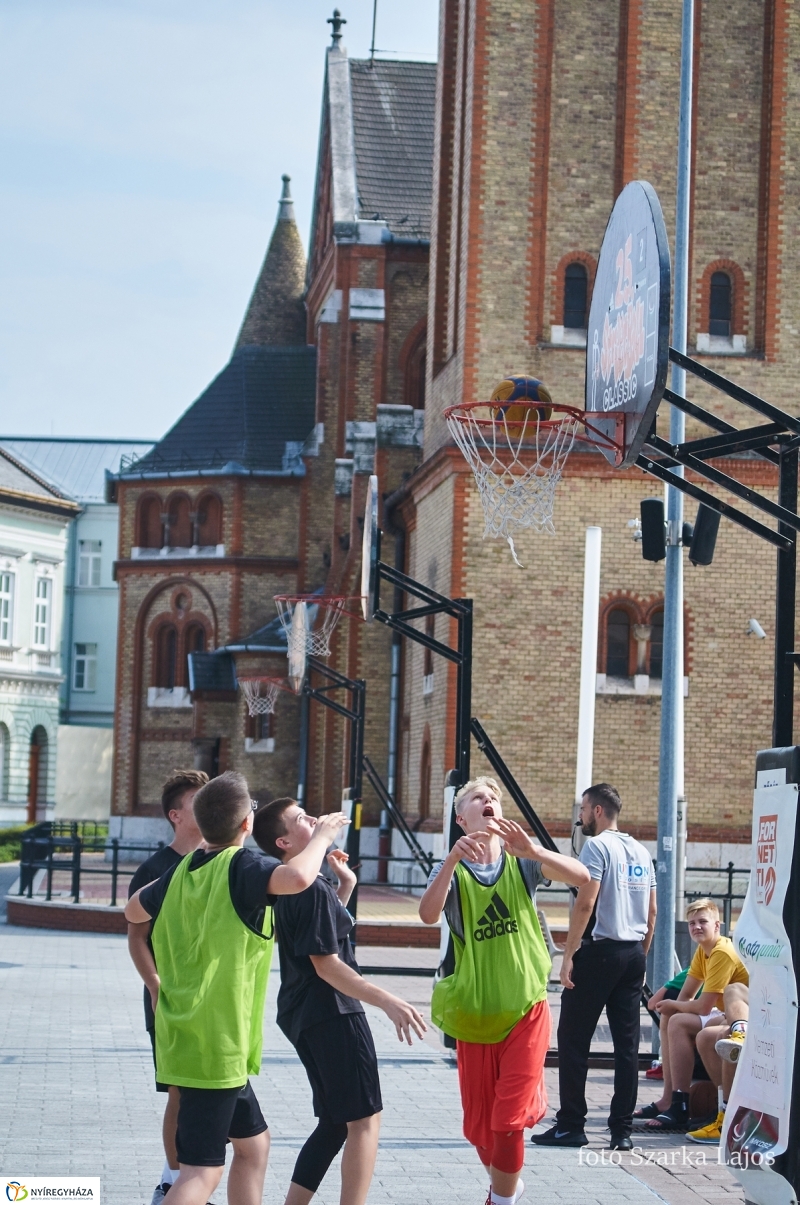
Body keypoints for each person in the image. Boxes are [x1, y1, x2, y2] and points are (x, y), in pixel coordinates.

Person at [125, 771, 350, 1205]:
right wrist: (321, 836)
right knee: (200, 1173)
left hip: (190, 1037)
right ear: (247, 825)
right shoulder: (242, 866)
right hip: (215, 1044)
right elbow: (299, 879)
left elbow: (133, 912)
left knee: (253, 1146)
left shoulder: (179, 872)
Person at [418, 776, 590, 1205]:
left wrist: (534, 850)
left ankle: (503, 1199)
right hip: (475, 1014)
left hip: (525, 1008)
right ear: (462, 819)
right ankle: (506, 1185)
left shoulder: (521, 861)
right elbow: (426, 914)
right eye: (479, 797)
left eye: (494, 796)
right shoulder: (453, 871)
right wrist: (451, 862)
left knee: (507, 1120)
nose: (489, 800)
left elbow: (583, 876)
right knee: (480, 1129)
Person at [253, 797, 427, 1205]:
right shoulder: (307, 885)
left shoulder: (298, 884)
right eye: (301, 819)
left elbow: (321, 935)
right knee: (364, 1120)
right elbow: (326, 965)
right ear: (283, 841)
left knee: (334, 1124)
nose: (313, 818)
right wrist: (388, 1001)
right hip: (331, 1012)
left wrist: (344, 885)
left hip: (305, 1013)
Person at [533, 783, 656, 1151]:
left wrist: (569, 955)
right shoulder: (640, 850)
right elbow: (652, 912)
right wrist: (641, 955)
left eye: (584, 809)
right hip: (632, 953)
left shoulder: (597, 847)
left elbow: (585, 904)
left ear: (598, 811)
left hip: (600, 952)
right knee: (627, 1047)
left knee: (573, 1039)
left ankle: (571, 1124)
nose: (580, 816)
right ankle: (621, 1131)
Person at [127, 768, 208, 1205]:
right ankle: (170, 1181)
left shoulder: (218, 861)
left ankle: (195, 1176)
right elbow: (136, 936)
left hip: (211, 1001)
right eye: (198, 800)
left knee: (207, 1092)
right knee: (179, 1091)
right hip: (169, 999)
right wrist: (156, 986)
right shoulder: (155, 869)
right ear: (176, 815)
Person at [643, 898, 748, 1138]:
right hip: (721, 1014)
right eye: (692, 923)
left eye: (703, 922)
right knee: (673, 1017)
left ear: (717, 926)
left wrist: (672, 1004)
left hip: (739, 1014)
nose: (696, 927)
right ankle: (672, 1100)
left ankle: (688, 1103)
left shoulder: (722, 951)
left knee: (682, 1020)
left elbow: (701, 1007)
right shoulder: (704, 951)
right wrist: (673, 1006)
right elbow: (687, 995)